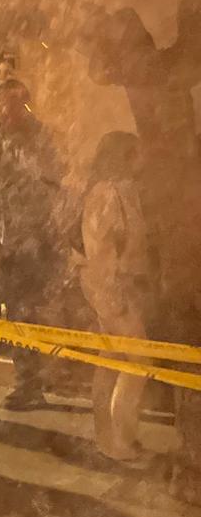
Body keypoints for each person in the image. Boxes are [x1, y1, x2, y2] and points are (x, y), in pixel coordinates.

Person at [0, 79, 65, 411]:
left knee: (36, 311)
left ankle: (38, 378)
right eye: (1, 106)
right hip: (3, 240)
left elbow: (56, 185)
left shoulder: (42, 138)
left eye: (13, 105)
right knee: (17, 312)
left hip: (36, 240)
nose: (5, 112)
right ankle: (28, 380)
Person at [81, 130, 155, 463]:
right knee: (138, 362)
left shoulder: (123, 191)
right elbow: (102, 251)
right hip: (112, 286)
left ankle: (110, 438)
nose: (142, 161)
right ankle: (118, 439)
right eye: (135, 154)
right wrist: (113, 297)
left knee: (111, 360)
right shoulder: (106, 194)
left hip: (123, 286)